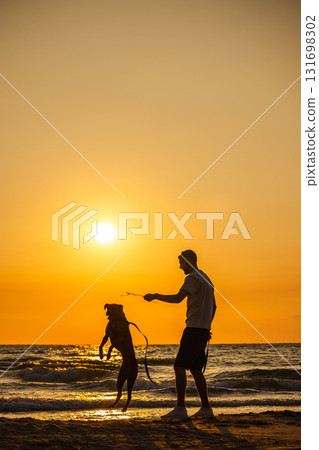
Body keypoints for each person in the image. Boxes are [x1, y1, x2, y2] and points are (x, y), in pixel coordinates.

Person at [144, 250, 216, 419]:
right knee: (196, 368)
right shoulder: (207, 279)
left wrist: (155, 296)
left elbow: (178, 299)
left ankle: (180, 408)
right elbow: (214, 307)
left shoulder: (192, 278)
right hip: (203, 329)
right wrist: (207, 327)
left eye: (181, 263)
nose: (179, 266)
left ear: (189, 261)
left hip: (194, 328)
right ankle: (206, 408)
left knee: (179, 366)